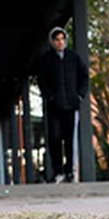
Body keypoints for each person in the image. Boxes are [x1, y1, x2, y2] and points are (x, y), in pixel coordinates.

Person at [32, 26, 88, 183]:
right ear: (52, 41)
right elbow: (41, 80)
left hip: (71, 105)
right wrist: (50, 96)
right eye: (57, 39)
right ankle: (58, 170)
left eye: (62, 39)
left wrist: (80, 95)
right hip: (54, 107)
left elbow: (84, 76)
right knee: (54, 138)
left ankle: (69, 170)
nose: (60, 42)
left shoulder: (74, 58)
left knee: (70, 140)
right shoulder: (46, 59)